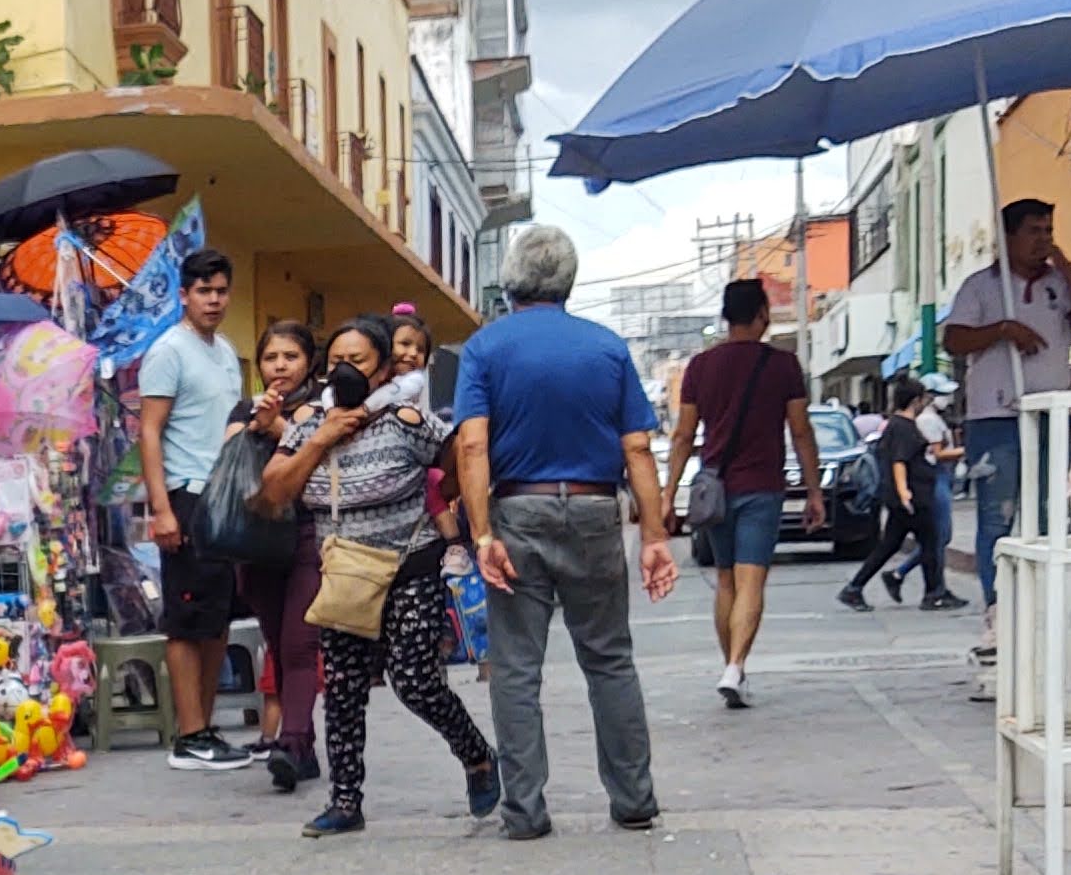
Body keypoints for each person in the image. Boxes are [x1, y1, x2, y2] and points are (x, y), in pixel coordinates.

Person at [449, 223, 674, 839]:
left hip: (518, 511)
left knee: (517, 665)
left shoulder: (486, 348)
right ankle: (633, 799)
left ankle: (524, 810)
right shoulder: (606, 348)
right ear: (568, 281)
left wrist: (483, 534)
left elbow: (472, 444)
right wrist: (655, 537)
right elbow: (638, 448)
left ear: (512, 280)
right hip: (598, 512)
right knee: (609, 660)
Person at [260, 311, 492, 835]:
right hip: (343, 571)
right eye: (337, 360)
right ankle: (346, 802)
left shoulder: (405, 422)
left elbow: (457, 464)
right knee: (342, 687)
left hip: (410, 565)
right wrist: (321, 439)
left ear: (384, 369)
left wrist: (452, 511)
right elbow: (275, 492)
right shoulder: (304, 425)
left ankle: (476, 755)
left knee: (414, 680)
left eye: (357, 361)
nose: (345, 370)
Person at [939, 197, 1071, 641]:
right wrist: (1003, 330)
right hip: (995, 416)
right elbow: (954, 339)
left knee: (1049, 514)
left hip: (1051, 414)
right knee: (997, 516)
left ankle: (1046, 604)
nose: (1042, 239)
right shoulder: (981, 287)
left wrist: (1066, 265)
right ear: (1009, 237)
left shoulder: (1058, 285)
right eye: (1032, 231)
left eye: (1047, 230)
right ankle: (996, 609)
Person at [662, 277, 819, 708]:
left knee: (726, 579)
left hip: (715, 489)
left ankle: (732, 668)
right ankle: (735, 666)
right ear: (763, 314)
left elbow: (682, 436)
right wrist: (814, 491)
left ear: (726, 317)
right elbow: (801, 431)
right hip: (762, 487)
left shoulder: (700, 367)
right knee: (753, 580)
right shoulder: (784, 366)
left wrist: (667, 495)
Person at [132, 248, 249, 767]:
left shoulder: (224, 350)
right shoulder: (168, 351)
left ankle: (207, 728)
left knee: (217, 616)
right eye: (204, 291)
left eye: (221, 290)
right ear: (184, 295)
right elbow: (149, 431)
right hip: (184, 494)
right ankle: (189, 734)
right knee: (185, 619)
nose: (214, 299)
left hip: (225, 496)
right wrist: (161, 509)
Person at [236, 318, 326, 793]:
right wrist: (255, 424)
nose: (280, 366)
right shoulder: (245, 407)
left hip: (308, 535)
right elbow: (229, 455)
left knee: (299, 644)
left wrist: (282, 428)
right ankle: (305, 746)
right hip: (255, 541)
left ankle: (289, 743)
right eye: (271, 357)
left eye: (290, 356)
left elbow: (318, 458)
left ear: (309, 362)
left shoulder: (321, 410)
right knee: (277, 638)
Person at [842, 374, 957, 608]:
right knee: (930, 542)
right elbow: (899, 461)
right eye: (923, 398)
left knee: (892, 545)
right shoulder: (903, 428)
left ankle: (855, 587)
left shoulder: (897, 426)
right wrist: (905, 492)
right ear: (915, 400)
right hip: (912, 497)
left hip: (906, 497)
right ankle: (934, 593)